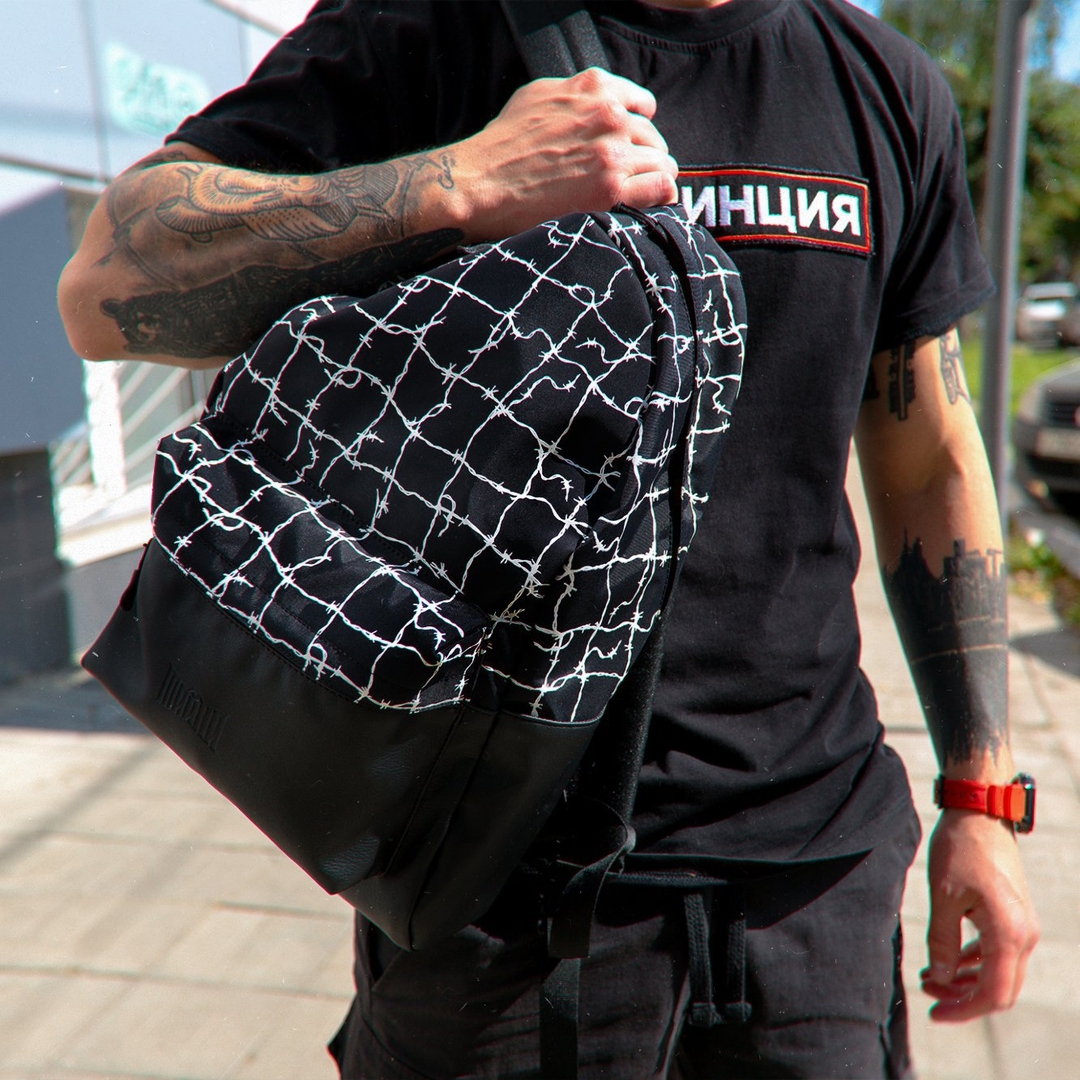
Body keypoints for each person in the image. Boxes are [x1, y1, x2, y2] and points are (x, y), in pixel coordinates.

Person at [58, 1, 1039, 1076]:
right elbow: (106, 287)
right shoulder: (422, 28)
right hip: (498, 887)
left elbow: (931, 456)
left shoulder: (882, 85)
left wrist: (982, 798)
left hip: (813, 882)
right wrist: (458, 183)